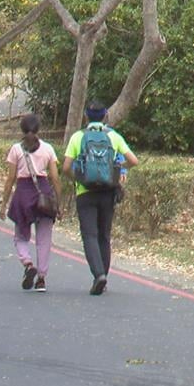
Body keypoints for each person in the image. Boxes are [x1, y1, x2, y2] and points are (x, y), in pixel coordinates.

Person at [62, 100, 139, 295]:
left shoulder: (78, 137)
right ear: (105, 116)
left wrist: (78, 178)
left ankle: (98, 275)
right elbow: (133, 160)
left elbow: (66, 167)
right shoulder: (113, 136)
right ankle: (103, 275)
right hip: (107, 192)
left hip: (85, 193)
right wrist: (117, 170)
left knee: (90, 235)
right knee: (104, 235)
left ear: (86, 116)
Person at [0, 114, 62, 292]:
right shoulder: (48, 149)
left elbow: (10, 179)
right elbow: (55, 178)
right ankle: (41, 279)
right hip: (44, 194)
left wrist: (4, 204)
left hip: (23, 195)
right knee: (44, 239)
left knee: (20, 236)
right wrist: (58, 203)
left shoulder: (16, 149)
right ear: (38, 129)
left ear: (22, 129)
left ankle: (27, 263)